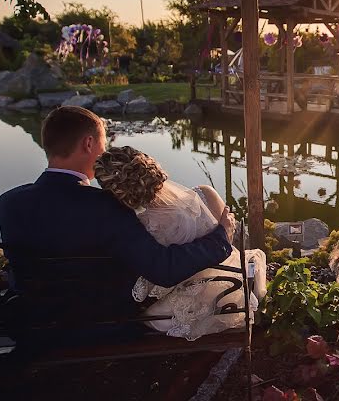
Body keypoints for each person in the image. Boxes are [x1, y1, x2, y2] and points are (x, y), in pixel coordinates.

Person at [0, 106, 235, 326]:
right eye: (104, 141)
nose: (105, 148)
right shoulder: (107, 206)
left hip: (32, 319)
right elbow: (163, 268)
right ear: (88, 144)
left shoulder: (8, 202)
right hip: (100, 323)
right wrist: (220, 238)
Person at [94, 146, 267, 341]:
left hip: (182, 311)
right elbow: (233, 243)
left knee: (142, 316)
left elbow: (155, 277)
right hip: (233, 293)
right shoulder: (205, 193)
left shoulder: (139, 226)